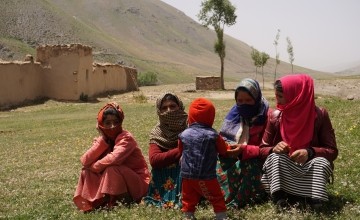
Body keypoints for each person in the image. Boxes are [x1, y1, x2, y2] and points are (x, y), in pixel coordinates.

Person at [259, 74, 338, 210]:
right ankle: (280, 197)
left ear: (296, 97)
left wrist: (310, 152)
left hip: (309, 167)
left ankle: (314, 199)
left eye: (280, 96)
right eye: (276, 95)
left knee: (321, 162)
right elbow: (262, 149)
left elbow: (332, 151)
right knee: (275, 158)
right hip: (286, 167)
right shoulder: (275, 116)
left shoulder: (319, 115)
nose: (276, 100)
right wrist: (274, 148)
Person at [73, 102, 150, 212]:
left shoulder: (126, 138)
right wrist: (103, 139)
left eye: (116, 122)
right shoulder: (103, 140)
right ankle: (98, 202)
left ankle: (126, 201)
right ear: (101, 124)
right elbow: (85, 161)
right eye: (108, 123)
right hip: (117, 177)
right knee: (86, 171)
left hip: (137, 182)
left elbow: (114, 158)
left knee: (112, 169)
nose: (112, 126)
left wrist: (95, 166)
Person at [179, 98, 242, 220]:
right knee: (215, 196)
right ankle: (221, 216)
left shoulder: (184, 134)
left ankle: (188, 215)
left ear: (190, 116)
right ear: (210, 116)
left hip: (186, 174)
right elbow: (223, 150)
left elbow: (181, 151)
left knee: (188, 196)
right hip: (205, 174)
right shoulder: (213, 135)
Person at [216, 78, 270, 208]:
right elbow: (223, 137)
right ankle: (219, 195)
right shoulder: (234, 114)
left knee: (249, 166)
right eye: (240, 101)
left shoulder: (268, 117)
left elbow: (268, 149)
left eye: (248, 100)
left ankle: (241, 198)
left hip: (257, 161)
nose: (243, 104)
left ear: (256, 99)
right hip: (235, 156)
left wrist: (244, 150)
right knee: (214, 162)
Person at [144, 93, 188, 208]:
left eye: (173, 106)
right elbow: (154, 159)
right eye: (164, 108)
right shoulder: (157, 132)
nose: (169, 111)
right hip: (164, 176)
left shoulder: (190, 127)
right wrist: (181, 150)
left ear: (180, 107)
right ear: (159, 111)